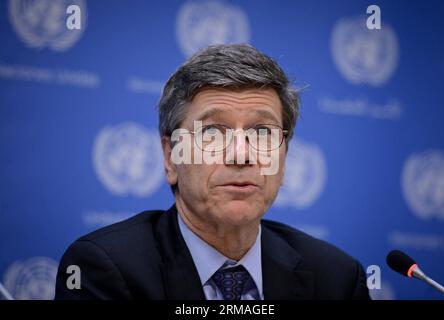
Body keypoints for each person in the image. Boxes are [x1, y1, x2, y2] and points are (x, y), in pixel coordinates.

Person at [54, 44, 370, 300]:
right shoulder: (105, 269)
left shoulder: (337, 280)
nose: (242, 154)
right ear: (170, 157)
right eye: (214, 132)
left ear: (284, 160)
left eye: (262, 132)